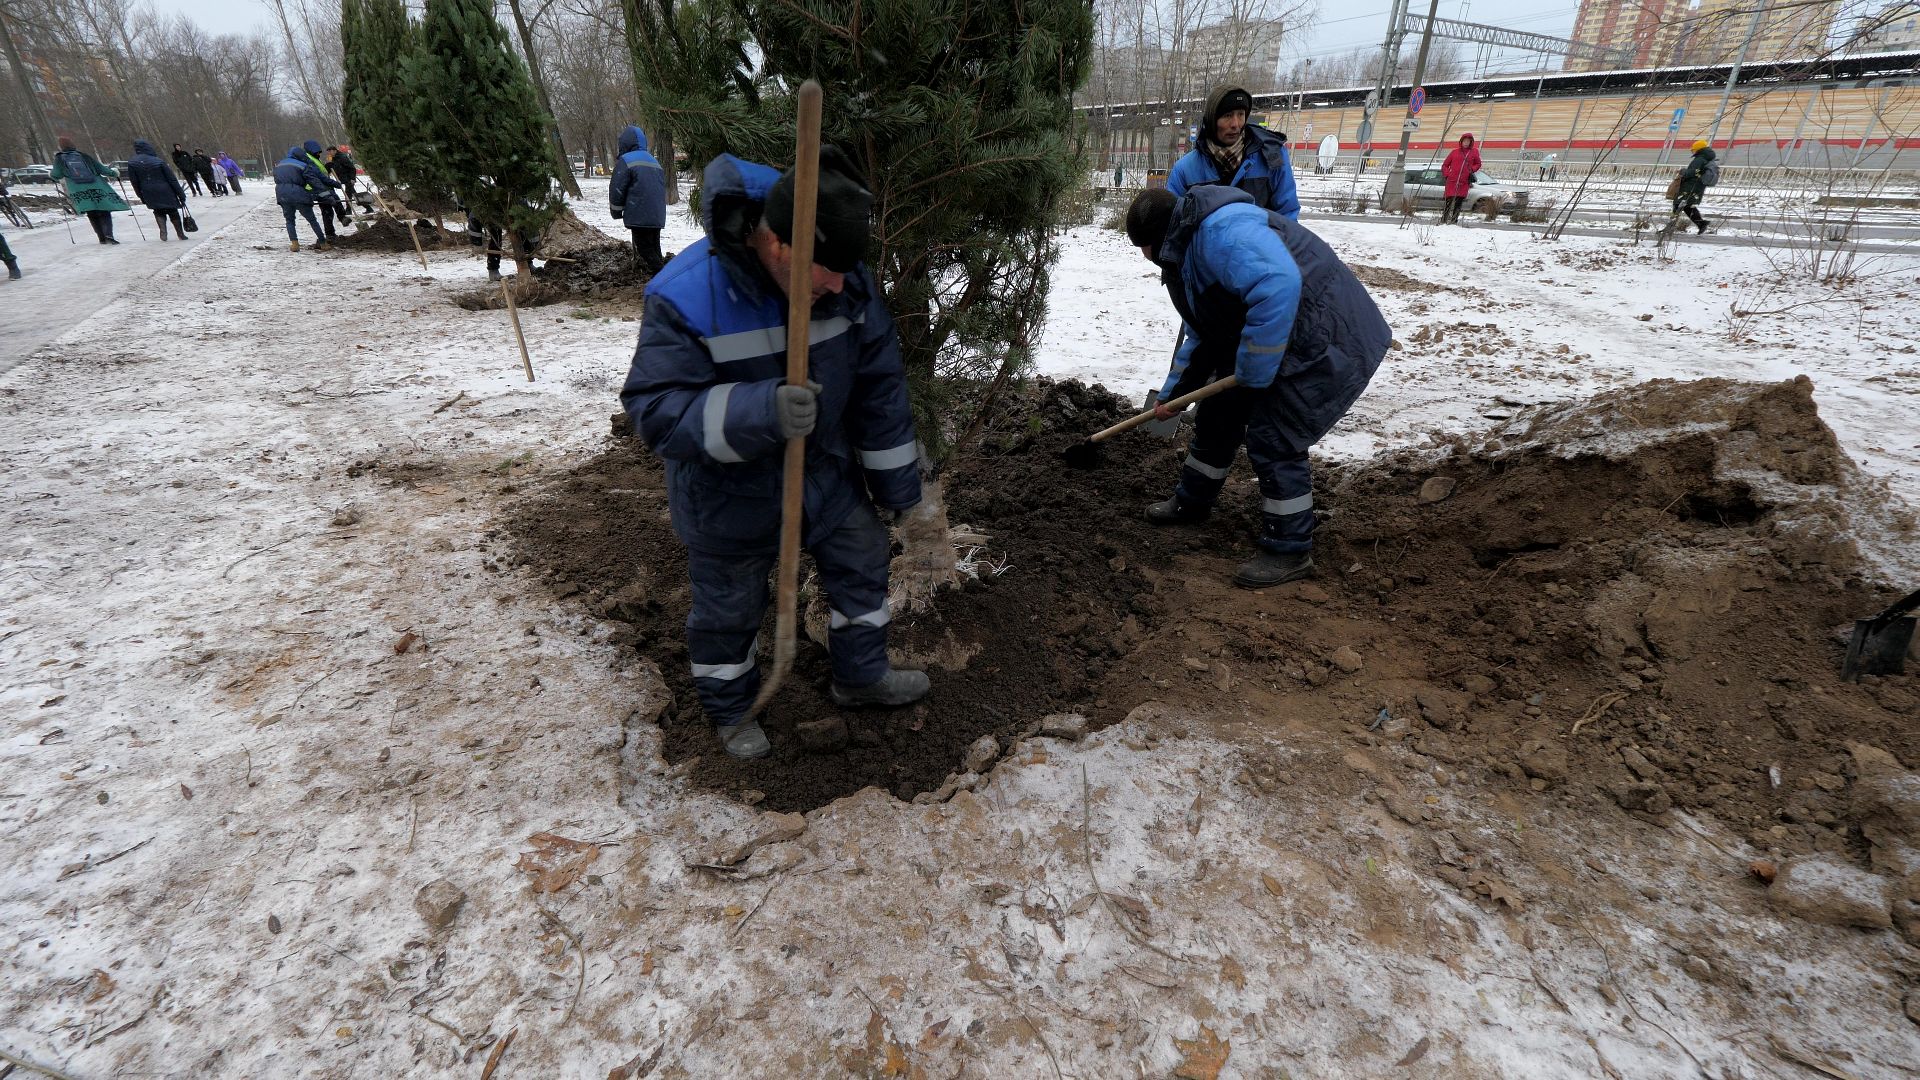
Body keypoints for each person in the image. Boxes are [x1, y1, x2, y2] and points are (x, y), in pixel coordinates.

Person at [621, 149, 931, 760]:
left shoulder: (846, 283)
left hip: (822, 473)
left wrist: (898, 488)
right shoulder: (687, 295)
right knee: (729, 607)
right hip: (726, 493)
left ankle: (860, 675)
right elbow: (655, 409)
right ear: (780, 245)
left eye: (846, 271)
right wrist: (759, 410)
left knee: (862, 557)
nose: (839, 285)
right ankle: (733, 710)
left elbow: (880, 389)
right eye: (827, 271)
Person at [1125, 184, 1391, 588]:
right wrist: (1173, 397)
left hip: (1323, 333)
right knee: (1217, 415)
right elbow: (1204, 333)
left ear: (1156, 238)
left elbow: (1278, 284)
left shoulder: (1221, 233)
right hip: (1273, 334)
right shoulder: (1187, 249)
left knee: (1275, 435)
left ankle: (1289, 549)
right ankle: (1192, 502)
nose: (1144, 257)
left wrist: (1253, 367)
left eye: (1142, 247)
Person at [1167, 86, 1299, 221]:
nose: (1235, 124)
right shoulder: (1185, 169)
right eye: (1227, 115)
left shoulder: (1273, 157)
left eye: (1241, 114)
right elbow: (1172, 222)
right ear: (1212, 120)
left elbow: (1287, 217)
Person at [609, 124, 667, 273]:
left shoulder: (626, 160)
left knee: (644, 247)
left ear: (624, 144)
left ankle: (663, 276)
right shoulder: (654, 161)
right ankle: (661, 275)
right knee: (654, 246)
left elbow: (617, 188)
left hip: (639, 212)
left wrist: (616, 211)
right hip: (656, 214)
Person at [52, 136, 128, 245]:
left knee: (91, 213)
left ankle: (101, 238)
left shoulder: (59, 159)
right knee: (104, 211)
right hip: (97, 187)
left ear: (61, 147)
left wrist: (52, 175)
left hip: (79, 190)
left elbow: (56, 174)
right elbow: (101, 169)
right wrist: (114, 173)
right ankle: (108, 235)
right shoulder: (84, 156)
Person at [274, 144, 335, 251]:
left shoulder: (279, 165)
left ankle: (294, 244)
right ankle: (323, 243)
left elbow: (277, 180)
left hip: (282, 195)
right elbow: (314, 182)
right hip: (299, 195)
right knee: (312, 220)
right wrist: (327, 194)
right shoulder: (302, 165)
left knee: (289, 220)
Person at [126, 139, 190, 241]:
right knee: (173, 211)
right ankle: (180, 234)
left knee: (158, 210)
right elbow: (172, 179)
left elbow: (135, 182)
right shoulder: (158, 161)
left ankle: (163, 232)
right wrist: (180, 194)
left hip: (147, 190)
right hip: (165, 189)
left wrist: (140, 195)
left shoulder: (132, 163)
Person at [301, 140, 349, 235]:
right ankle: (340, 220)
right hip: (316, 188)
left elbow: (321, 172)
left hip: (321, 186)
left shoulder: (313, 158)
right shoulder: (309, 160)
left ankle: (331, 232)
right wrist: (334, 183)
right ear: (312, 151)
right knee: (332, 202)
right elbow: (319, 176)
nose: (319, 154)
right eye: (318, 152)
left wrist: (327, 167)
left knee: (328, 209)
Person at [1673, 138, 1717, 235]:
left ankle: (1670, 227)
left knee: (1678, 203)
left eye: (1693, 149)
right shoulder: (1707, 158)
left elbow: (1692, 172)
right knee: (1687, 206)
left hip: (1691, 186)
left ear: (1698, 149)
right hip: (1697, 186)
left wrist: (1682, 171)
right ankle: (1701, 224)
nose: (1692, 151)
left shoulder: (1699, 159)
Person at [1440, 133, 1481, 224]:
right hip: (1452, 181)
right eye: (1464, 141)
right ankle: (1444, 220)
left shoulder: (1474, 152)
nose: (1466, 143)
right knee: (1448, 202)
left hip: (1464, 182)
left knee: (1458, 202)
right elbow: (1445, 165)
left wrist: (1471, 169)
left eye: (1468, 141)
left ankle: (1454, 221)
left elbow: (1478, 164)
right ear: (1461, 141)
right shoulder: (1454, 152)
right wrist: (1448, 174)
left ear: (1471, 142)